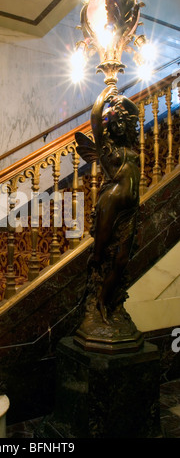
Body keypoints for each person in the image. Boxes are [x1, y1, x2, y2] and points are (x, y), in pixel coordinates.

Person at [76, 85, 140, 324]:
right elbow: (95, 120)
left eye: (123, 122)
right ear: (110, 127)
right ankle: (100, 304)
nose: (121, 125)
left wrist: (121, 100)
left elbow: (133, 115)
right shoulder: (107, 149)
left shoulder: (130, 145)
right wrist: (106, 94)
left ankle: (108, 300)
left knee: (122, 259)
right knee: (100, 255)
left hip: (130, 208)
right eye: (115, 122)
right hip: (111, 203)